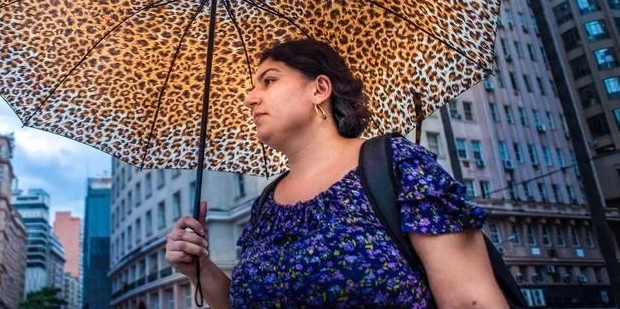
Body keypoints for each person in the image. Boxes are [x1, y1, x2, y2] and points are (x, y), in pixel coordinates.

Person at [164, 39, 508, 308]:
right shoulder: (265, 208)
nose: (250, 98)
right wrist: (200, 269)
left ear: (319, 89)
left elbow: (470, 301)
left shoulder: (396, 164)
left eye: (269, 81)